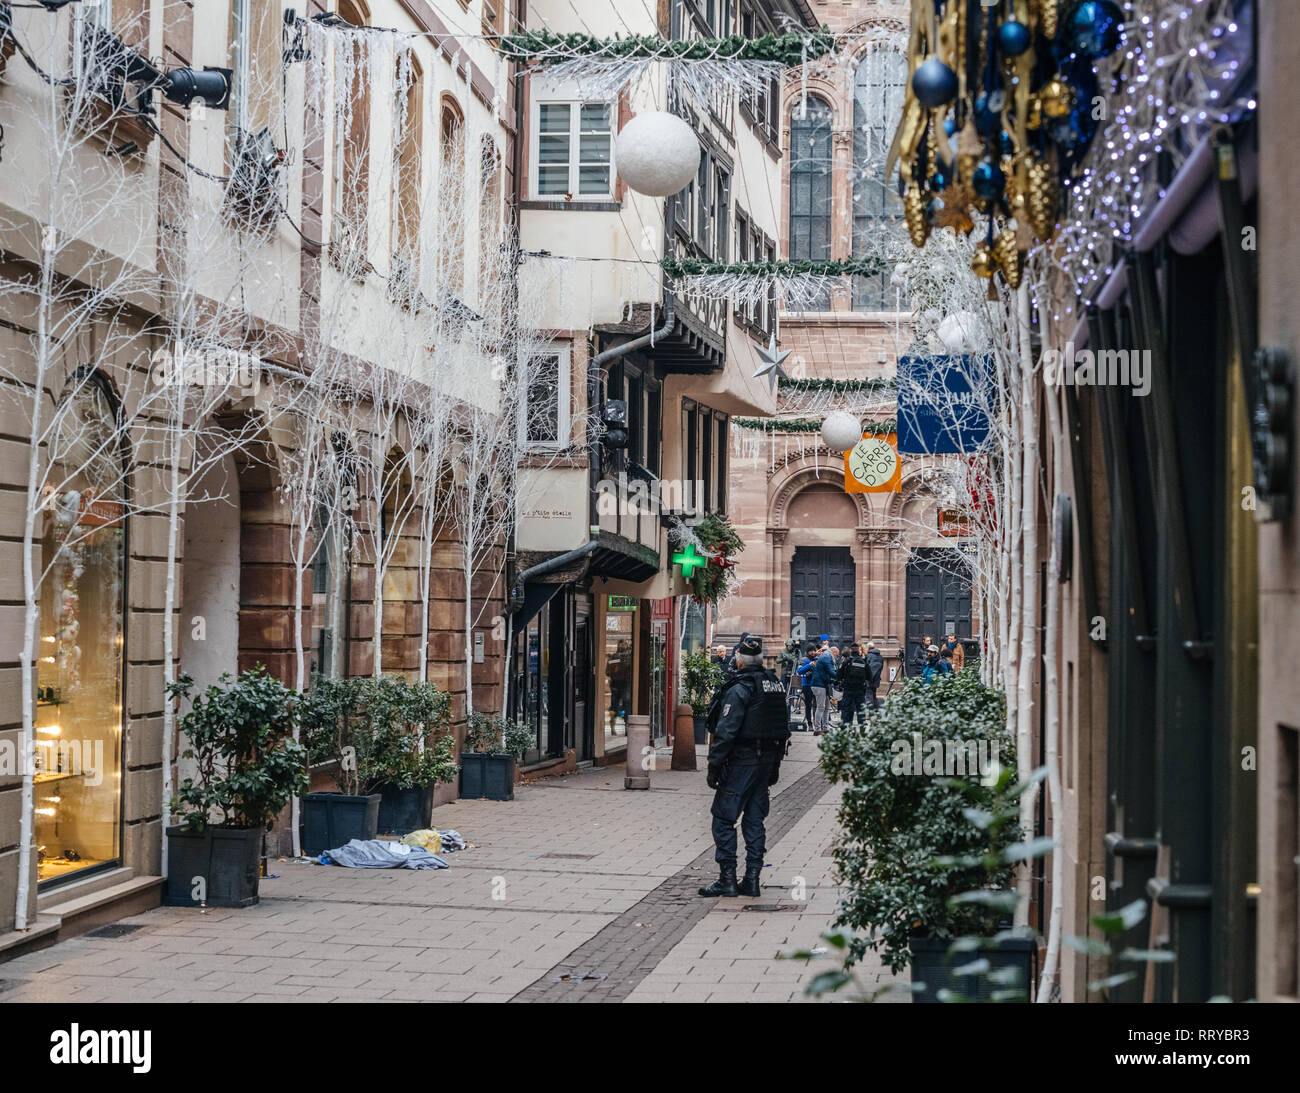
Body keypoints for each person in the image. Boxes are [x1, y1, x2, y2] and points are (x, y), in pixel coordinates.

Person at [698, 636, 792, 898]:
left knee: (723, 818)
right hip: (767, 760)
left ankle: (727, 878)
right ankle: (752, 879)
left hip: (743, 762)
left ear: (739, 660)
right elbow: (782, 728)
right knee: (754, 821)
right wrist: (774, 766)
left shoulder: (740, 688)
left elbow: (726, 732)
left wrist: (714, 767)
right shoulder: (773, 684)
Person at [836, 643, 870, 728]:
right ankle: (862, 728)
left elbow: (838, 675)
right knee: (861, 710)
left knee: (846, 709)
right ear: (859, 650)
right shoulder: (864, 661)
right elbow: (870, 676)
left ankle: (845, 727)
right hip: (860, 690)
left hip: (848, 689)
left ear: (851, 650)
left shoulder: (847, 661)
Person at [810, 642, 836, 734]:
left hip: (822, 685)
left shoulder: (825, 657)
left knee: (826, 708)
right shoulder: (826, 657)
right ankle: (817, 729)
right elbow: (830, 671)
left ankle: (825, 728)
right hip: (819, 685)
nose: (837, 656)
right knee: (821, 707)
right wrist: (838, 677)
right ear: (833, 652)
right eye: (836, 654)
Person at [795, 642, 819, 731]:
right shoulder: (803, 660)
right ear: (807, 651)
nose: (812, 652)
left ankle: (817, 723)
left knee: (816, 705)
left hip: (816, 684)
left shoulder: (818, 659)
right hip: (807, 685)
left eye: (814, 650)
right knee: (808, 705)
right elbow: (799, 671)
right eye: (811, 651)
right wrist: (809, 665)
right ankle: (809, 723)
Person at [865, 641, 884, 710]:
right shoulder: (880, 657)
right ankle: (876, 710)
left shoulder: (868, 656)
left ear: (868, 648)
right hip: (876, 678)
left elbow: (866, 667)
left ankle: (870, 711)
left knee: (868, 694)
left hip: (869, 679)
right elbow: (881, 668)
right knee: (874, 694)